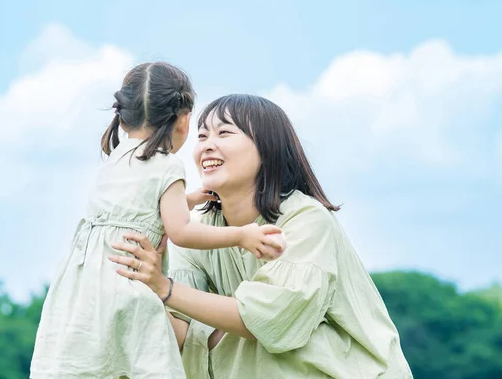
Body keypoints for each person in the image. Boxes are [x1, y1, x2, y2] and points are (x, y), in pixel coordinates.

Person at [110, 94, 414, 378]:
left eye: (224, 133)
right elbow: (180, 334)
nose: (206, 146)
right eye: (202, 136)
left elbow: (272, 321)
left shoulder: (305, 219)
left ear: (266, 147)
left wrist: (165, 288)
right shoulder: (198, 231)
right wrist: (144, 278)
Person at [30, 64, 285, 379]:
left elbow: (134, 208)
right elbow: (181, 232)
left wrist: (186, 200)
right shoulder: (166, 165)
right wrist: (241, 236)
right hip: (127, 282)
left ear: (124, 118)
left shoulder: (115, 159)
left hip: (84, 284)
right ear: (183, 120)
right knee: (146, 364)